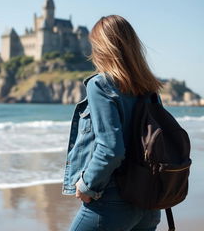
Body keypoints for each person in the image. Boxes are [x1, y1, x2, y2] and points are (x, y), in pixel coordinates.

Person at [61, 15, 163, 231]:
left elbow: (111, 149)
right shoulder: (149, 89)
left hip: (112, 201)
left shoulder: (101, 85)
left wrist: (88, 185)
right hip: (149, 202)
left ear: (103, 47)